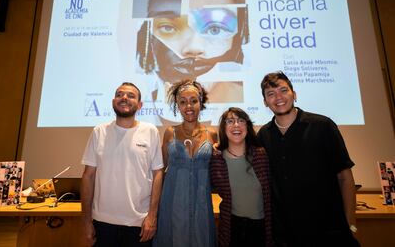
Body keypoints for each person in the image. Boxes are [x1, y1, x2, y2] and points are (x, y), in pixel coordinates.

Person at [256, 71, 360, 246]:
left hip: (327, 230)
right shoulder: (263, 136)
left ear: (294, 94)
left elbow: (345, 177)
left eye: (283, 90)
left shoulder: (323, 126)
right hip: (285, 234)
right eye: (271, 94)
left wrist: (350, 224)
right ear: (265, 102)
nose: (278, 97)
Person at [135, 0, 250, 124]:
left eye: (215, 29)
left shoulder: (243, 108)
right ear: (147, 34)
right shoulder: (140, 106)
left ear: (240, 36)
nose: (194, 48)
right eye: (168, 28)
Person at [81, 82, 164, 247]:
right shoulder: (99, 132)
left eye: (131, 95)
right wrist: (86, 221)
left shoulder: (150, 131)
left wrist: (152, 217)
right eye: (119, 95)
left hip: (139, 224)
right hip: (103, 223)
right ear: (113, 102)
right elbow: (88, 176)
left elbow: (158, 174)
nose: (124, 98)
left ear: (139, 105)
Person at [153, 80, 218, 247]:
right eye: (183, 102)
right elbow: (160, 170)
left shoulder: (211, 134)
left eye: (193, 100)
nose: (189, 106)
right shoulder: (169, 133)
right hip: (172, 200)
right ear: (178, 105)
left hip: (201, 203)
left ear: (200, 102)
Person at [210, 107, 273, 247]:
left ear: (247, 126)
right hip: (231, 227)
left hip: (260, 227)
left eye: (241, 121)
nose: (236, 125)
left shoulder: (260, 154)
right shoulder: (216, 158)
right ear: (223, 128)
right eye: (230, 121)